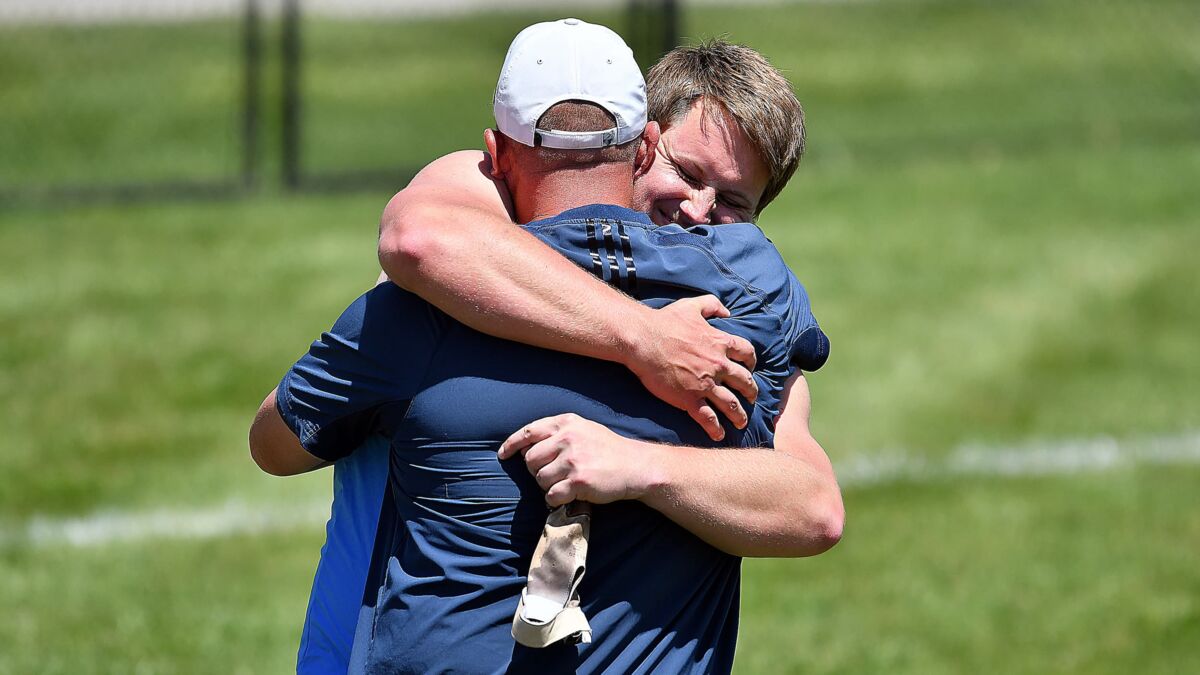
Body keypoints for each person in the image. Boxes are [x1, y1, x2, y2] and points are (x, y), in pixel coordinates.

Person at [261, 24, 840, 675]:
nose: (698, 210)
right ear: (645, 145)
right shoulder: (467, 240)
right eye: (687, 172)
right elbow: (418, 237)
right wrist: (645, 338)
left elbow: (814, 505)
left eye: (732, 201)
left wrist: (638, 465)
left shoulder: (739, 307)